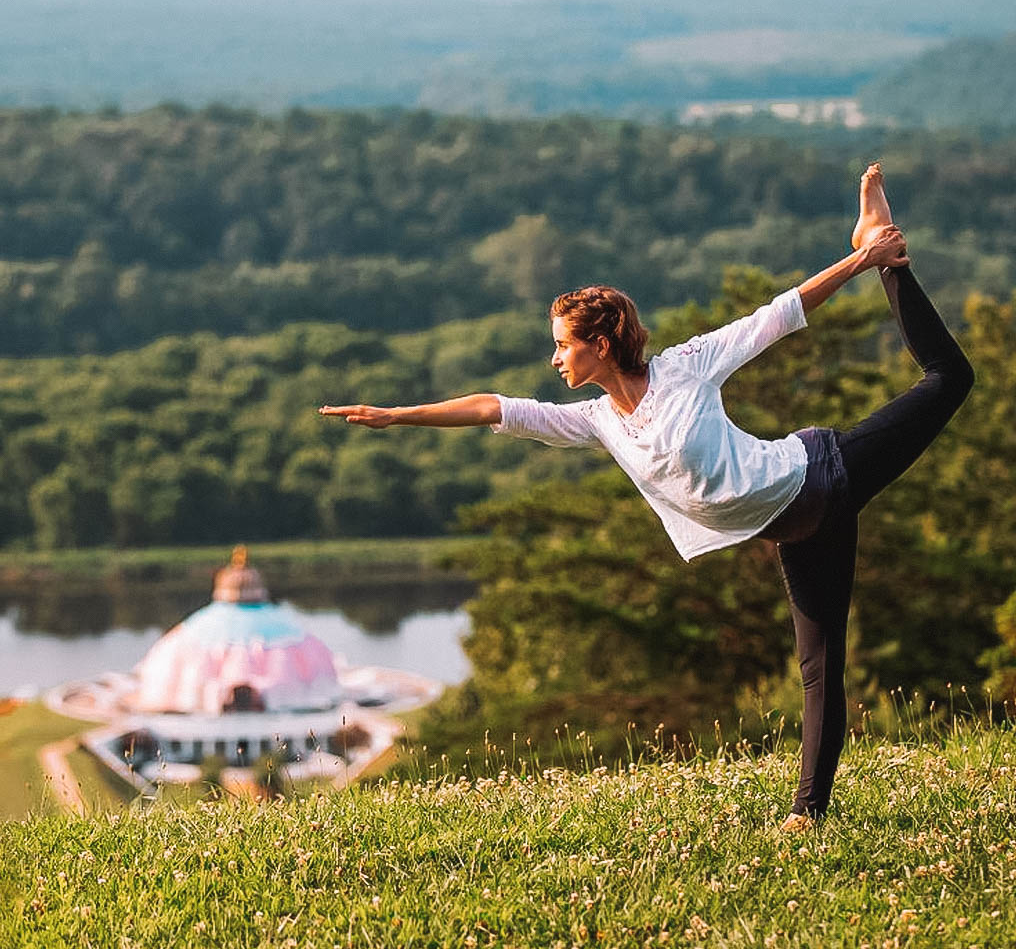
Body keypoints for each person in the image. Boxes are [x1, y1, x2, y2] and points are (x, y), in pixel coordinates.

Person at [320, 164, 973, 830]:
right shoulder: (598, 422)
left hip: (826, 471)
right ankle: (809, 815)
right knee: (818, 670)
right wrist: (398, 414)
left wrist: (864, 259)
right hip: (797, 529)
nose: (555, 360)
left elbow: (782, 313)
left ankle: (888, 253)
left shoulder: (685, 368)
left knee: (950, 377)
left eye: (562, 346)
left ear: (600, 345)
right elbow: (498, 407)